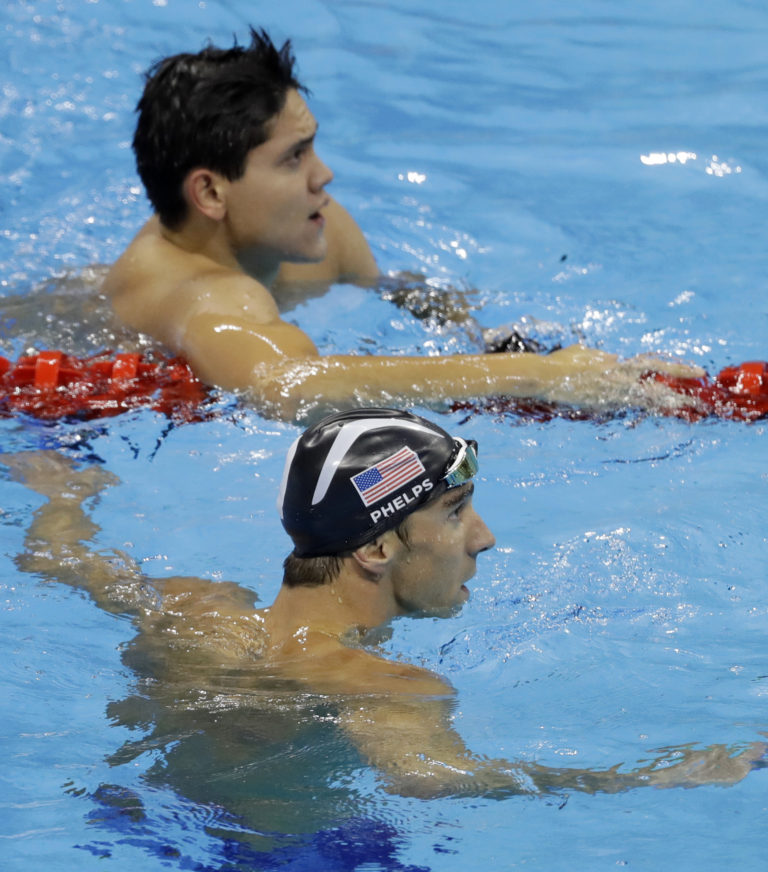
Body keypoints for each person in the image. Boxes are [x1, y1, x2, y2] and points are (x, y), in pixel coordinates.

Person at [5, 409, 761, 801]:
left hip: (130, 828)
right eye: (456, 514)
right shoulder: (383, 687)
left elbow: (58, 558)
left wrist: (60, 492)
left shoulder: (192, 609)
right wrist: (645, 779)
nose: (485, 540)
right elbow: (430, 778)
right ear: (374, 548)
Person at [103, 28, 700, 421]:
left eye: (313, 149)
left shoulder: (317, 228)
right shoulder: (206, 301)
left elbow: (398, 291)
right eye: (293, 159)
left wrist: (493, 341)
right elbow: (291, 387)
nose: (324, 176)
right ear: (210, 192)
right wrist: (541, 375)